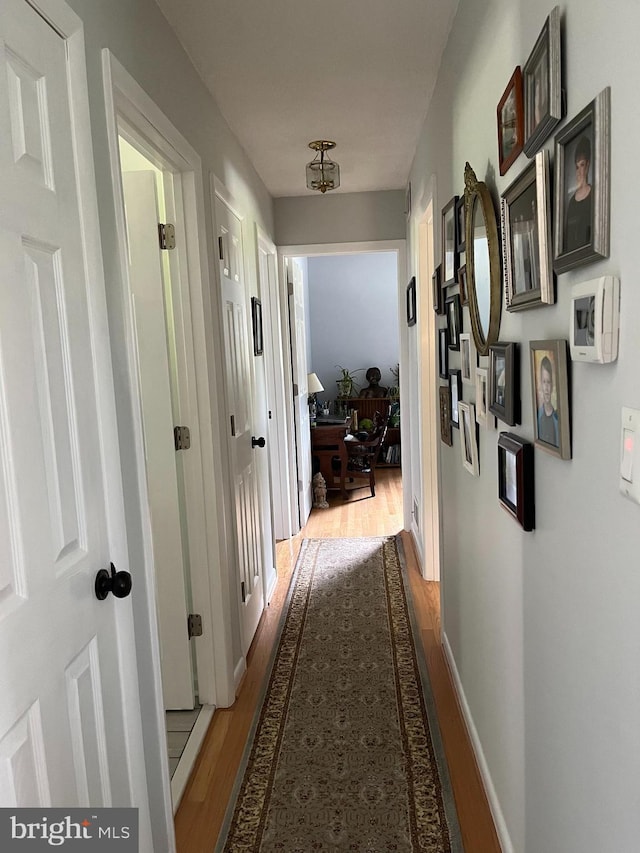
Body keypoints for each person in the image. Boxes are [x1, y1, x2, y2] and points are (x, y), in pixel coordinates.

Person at [564, 135, 592, 252]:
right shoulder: (571, 202)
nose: (579, 171)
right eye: (577, 166)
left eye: (582, 165)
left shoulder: (594, 197)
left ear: (588, 165)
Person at [537, 355, 559, 447]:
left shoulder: (557, 418)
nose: (546, 388)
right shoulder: (538, 416)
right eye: (544, 382)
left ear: (552, 384)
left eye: (548, 382)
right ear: (540, 384)